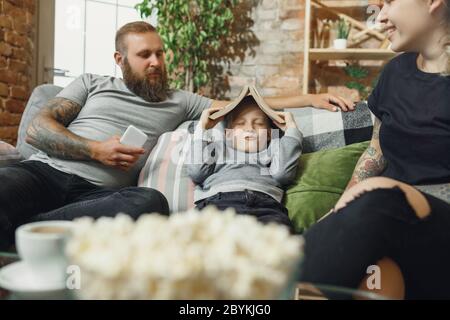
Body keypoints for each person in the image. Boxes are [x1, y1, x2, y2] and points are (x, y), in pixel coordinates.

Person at [0, 21, 355, 250]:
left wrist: (310, 97)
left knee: (149, 202)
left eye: (159, 53)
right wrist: (94, 149)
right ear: (119, 59)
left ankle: (27, 235)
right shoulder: (92, 83)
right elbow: (37, 129)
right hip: (42, 174)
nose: (156, 62)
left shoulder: (180, 101)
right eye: (144, 55)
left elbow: (244, 102)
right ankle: (31, 237)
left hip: (100, 196)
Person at [300, 0, 450, 299]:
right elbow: (377, 152)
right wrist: (339, 215)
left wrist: (374, 198)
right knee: (377, 279)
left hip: (435, 226)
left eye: (388, 3)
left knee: (380, 196)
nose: (380, 18)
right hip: (385, 222)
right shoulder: (395, 72)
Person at [186, 97, 302, 233]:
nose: (249, 129)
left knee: (282, 243)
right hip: (218, 202)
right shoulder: (217, 148)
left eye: (258, 124)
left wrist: (291, 129)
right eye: (240, 123)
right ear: (228, 134)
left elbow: (283, 174)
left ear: (269, 134)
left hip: (265, 207)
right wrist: (202, 127)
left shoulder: (274, 148)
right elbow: (197, 172)